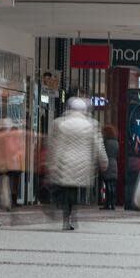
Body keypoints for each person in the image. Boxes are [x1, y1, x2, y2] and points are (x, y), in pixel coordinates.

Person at [48, 98, 108, 231]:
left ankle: (66, 217)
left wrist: (51, 163)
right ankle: (72, 215)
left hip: (64, 162)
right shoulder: (91, 124)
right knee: (74, 191)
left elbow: (53, 145)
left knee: (66, 189)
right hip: (82, 164)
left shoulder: (59, 123)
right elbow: (98, 145)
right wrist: (104, 161)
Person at [101, 125, 119, 210]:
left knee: (108, 184)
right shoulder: (116, 142)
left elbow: (103, 152)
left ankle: (107, 204)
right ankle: (112, 204)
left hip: (107, 163)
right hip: (114, 163)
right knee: (112, 185)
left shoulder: (106, 142)